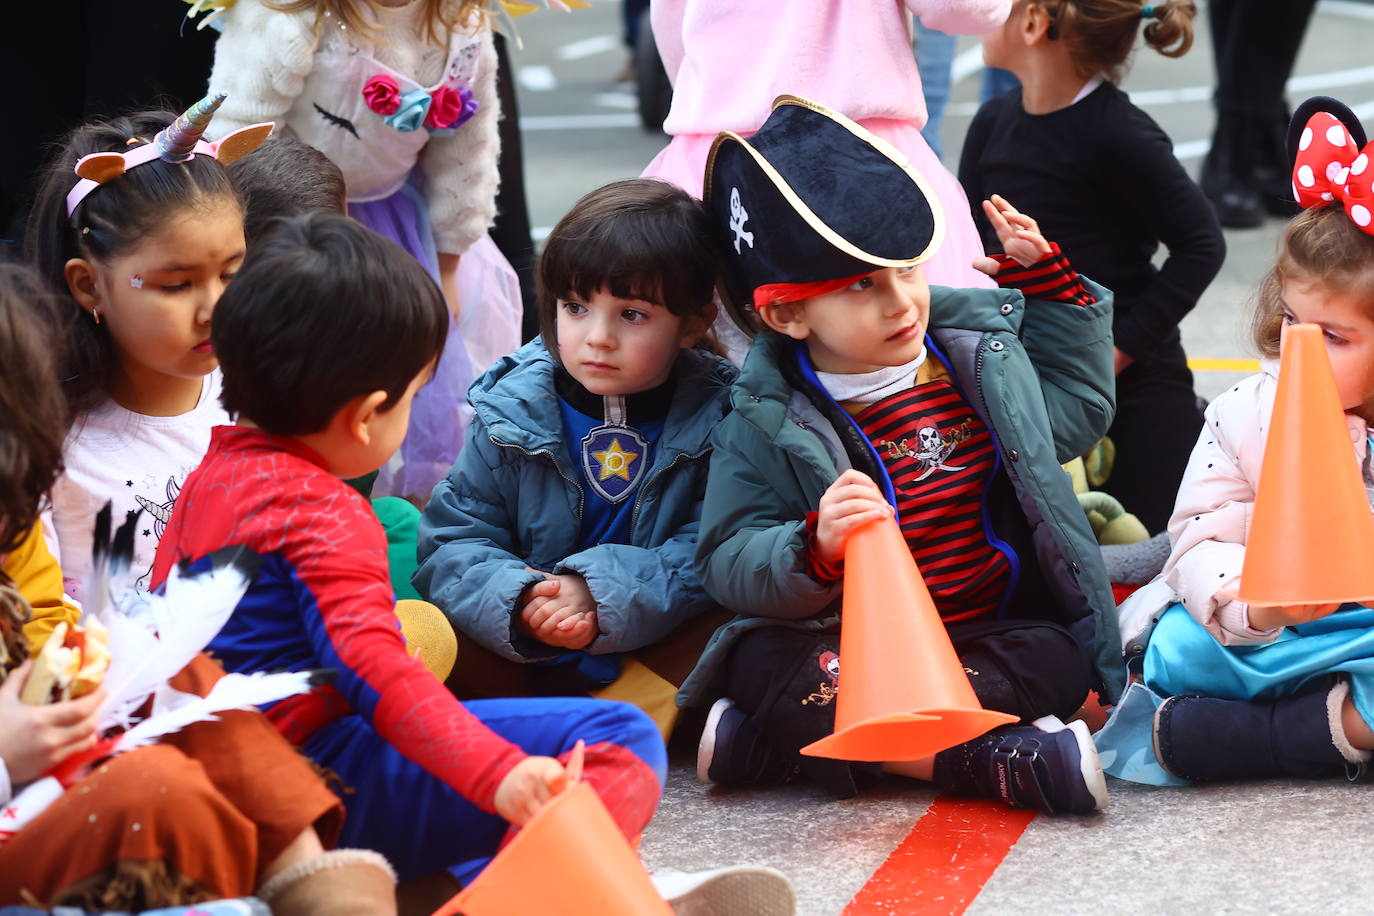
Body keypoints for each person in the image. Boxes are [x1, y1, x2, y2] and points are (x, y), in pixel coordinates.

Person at [148, 212, 667, 892]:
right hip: (314, 779)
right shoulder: (322, 509)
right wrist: (498, 774)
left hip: (222, 782)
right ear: (367, 415)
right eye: (414, 399)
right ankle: (533, 896)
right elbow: (375, 673)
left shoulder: (209, 477)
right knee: (617, 739)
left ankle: (451, 888)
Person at [687, 96, 1123, 814]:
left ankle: (772, 747)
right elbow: (727, 560)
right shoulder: (763, 417)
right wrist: (812, 547)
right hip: (846, 644)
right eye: (862, 285)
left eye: (908, 270)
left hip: (984, 632)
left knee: (1058, 654)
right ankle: (986, 761)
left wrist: (1050, 294)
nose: (903, 303)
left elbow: (1077, 417)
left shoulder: (973, 362)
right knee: (757, 659)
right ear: (787, 313)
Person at [0, 262, 382, 915]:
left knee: (186, 683)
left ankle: (324, 893)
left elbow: (46, 625)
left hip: (40, 778)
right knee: (158, 788)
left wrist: (90, 674)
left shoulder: (13, 530)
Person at [1101, 100, 1374, 785]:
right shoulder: (1244, 413)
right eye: (1291, 319)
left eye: (1333, 336)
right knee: (1173, 649)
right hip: (1263, 643)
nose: (1299, 344)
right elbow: (1196, 539)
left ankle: (1252, 739)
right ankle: (1318, 726)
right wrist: (1261, 605)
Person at [413, 179, 735, 739]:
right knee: (419, 628)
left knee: (742, 614)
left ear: (693, 323)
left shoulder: (723, 417)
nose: (597, 338)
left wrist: (598, 593)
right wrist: (521, 601)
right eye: (577, 307)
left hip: (651, 646)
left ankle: (579, 720)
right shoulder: (511, 409)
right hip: (524, 650)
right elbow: (450, 542)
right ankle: (609, 720)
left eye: (632, 314)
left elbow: (711, 548)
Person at [206, 0, 523, 504]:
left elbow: (468, 149)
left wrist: (447, 260)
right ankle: (300, 494)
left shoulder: (460, 23)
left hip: (403, 230)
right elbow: (241, 133)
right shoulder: (290, 18)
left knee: (406, 375)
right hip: (301, 230)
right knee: (311, 371)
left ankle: (389, 506)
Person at [958, 0, 1224, 535]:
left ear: (1034, 22)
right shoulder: (993, 121)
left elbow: (1202, 245)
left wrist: (1114, 353)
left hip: (1136, 392)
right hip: (1030, 387)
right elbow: (971, 245)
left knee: (1156, 548)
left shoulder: (1121, 133)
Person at [641, 0, 1012, 364]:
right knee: (909, 365)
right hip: (855, 152)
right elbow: (966, 9)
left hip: (719, 153)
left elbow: (673, 28)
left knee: (726, 373)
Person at [26, 97, 272, 604]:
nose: (215, 309)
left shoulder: (263, 391)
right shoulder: (46, 450)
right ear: (89, 286)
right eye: (176, 285)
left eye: (231, 273)